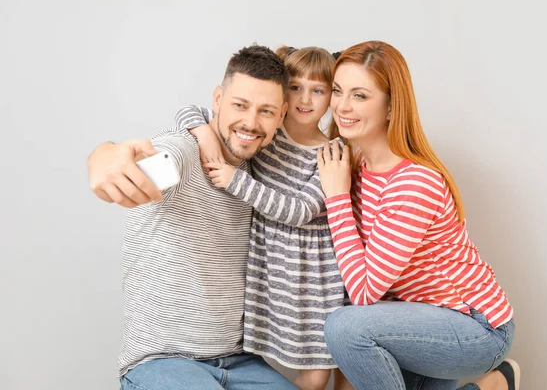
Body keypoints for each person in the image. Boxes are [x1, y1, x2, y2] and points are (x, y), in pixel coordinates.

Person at [87, 45, 301, 390]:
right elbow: (145, 162)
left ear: (282, 114)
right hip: (163, 361)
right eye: (240, 105)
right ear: (218, 99)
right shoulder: (185, 153)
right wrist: (104, 156)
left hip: (242, 362)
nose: (251, 122)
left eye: (266, 111)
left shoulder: (260, 174)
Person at [316, 40, 520, 390]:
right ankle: (498, 385)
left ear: (392, 107)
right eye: (338, 91)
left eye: (360, 95)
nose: (342, 106)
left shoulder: (412, 182)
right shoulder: (359, 164)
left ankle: (496, 376)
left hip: (474, 326)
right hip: (417, 319)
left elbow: (365, 293)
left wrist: (336, 197)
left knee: (343, 327)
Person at [175, 46, 348, 390]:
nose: (305, 99)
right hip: (271, 267)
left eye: (318, 91)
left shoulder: (332, 151)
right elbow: (189, 111)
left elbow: (301, 211)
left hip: (313, 275)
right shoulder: (267, 130)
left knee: (315, 369)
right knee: (264, 356)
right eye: (297, 87)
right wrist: (205, 133)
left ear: (332, 96)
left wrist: (237, 181)